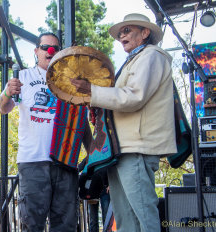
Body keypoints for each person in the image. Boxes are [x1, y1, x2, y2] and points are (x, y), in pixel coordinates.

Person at [71, 13, 177, 232]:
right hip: (122, 149)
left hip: (136, 146)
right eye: (120, 33)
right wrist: (95, 101)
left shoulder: (151, 56)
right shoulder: (135, 60)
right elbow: (122, 99)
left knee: (143, 214)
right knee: (124, 216)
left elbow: (134, 97)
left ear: (145, 32)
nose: (122, 36)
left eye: (127, 31)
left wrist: (92, 91)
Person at [0, 32, 79, 232]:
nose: (50, 51)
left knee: (65, 224)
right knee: (32, 223)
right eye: (45, 47)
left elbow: (80, 118)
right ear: (36, 51)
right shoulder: (23, 77)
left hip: (64, 160)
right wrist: (8, 92)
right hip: (33, 161)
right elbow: (3, 108)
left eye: (55, 47)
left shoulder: (70, 81)